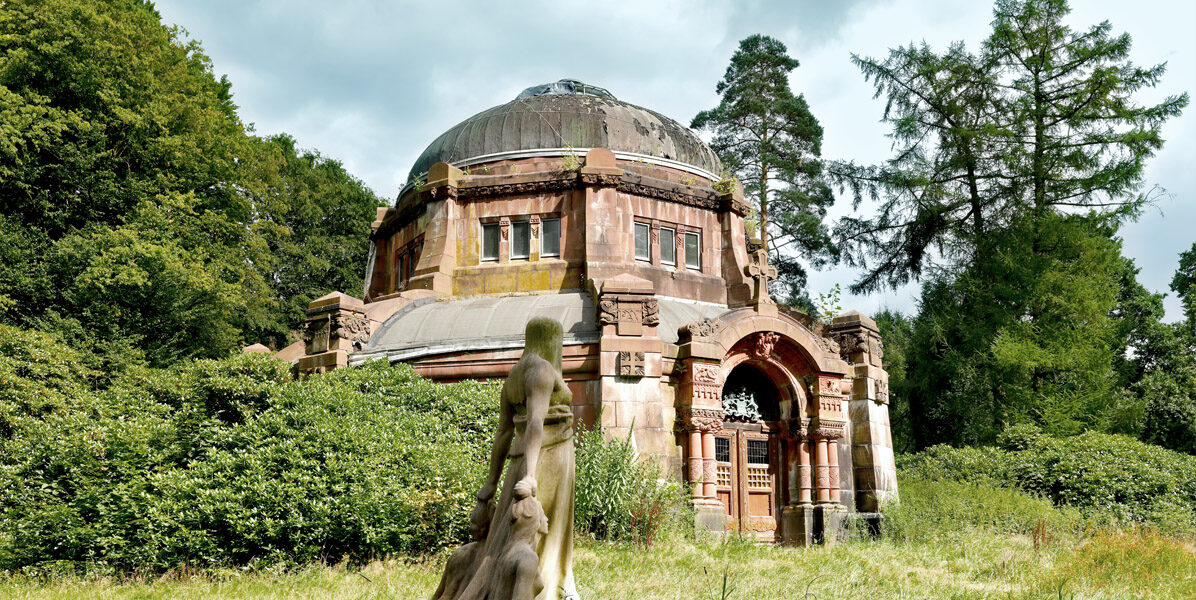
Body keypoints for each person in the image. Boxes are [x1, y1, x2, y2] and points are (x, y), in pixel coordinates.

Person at [450, 317, 578, 600]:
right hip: (549, 456)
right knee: (548, 529)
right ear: (551, 341)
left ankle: (546, 581)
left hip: (520, 460)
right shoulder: (543, 370)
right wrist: (531, 476)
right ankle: (551, 585)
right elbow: (535, 423)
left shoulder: (515, 376)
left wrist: (491, 483)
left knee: (513, 535)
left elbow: (503, 434)